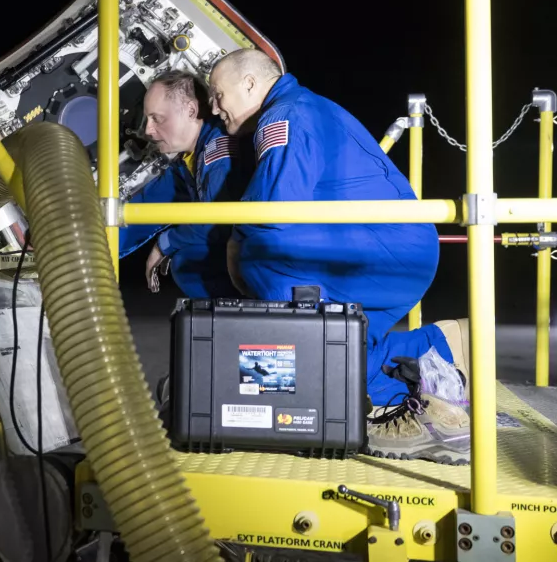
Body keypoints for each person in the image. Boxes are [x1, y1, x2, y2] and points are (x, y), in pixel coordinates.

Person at [209, 48, 470, 464]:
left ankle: (291, 391)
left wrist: (234, 241)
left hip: (383, 252)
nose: (214, 107)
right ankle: (434, 353)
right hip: (397, 251)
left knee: (260, 254)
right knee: (348, 349)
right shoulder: (303, 106)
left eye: (218, 94)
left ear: (251, 84)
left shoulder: (283, 116)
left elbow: (273, 208)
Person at [120, 69, 250, 298]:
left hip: (270, 257)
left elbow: (218, 223)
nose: (148, 130)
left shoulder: (219, 151)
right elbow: (137, 214)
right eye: (147, 119)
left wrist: (165, 243)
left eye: (157, 118)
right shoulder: (186, 163)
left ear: (191, 110)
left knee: (188, 261)